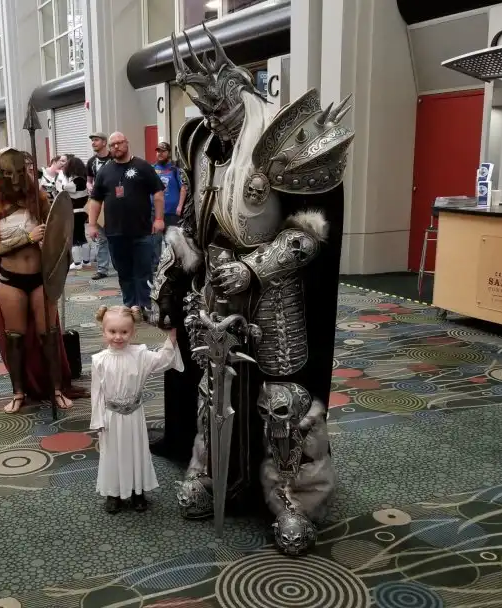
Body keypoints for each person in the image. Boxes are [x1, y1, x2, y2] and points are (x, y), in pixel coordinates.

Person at [149, 26, 353, 555]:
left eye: (221, 106)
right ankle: (214, 471)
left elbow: (310, 231)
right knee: (212, 389)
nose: (215, 117)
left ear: (241, 91)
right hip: (213, 287)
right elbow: (192, 220)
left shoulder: (282, 139)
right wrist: (171, 274)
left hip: (273, 291)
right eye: (205, 108)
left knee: (282, 399)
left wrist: (255, 268)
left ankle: (292, 496)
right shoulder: (198, 141)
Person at [0, 147, 86, 413]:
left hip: (40, 277)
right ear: (0, 174)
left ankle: (56, 390)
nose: (15, 179)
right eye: (8, 174)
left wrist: (49, 241)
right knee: (15, 338)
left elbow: (57, 230)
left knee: (49, 335)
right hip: (11, 280)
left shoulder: (37, 198)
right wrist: (27, 238)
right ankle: (18, 393)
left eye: (19, 173)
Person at [90, 305, 183, 513]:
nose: (118, 337)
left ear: (133, 332)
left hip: (134, 416)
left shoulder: (140, 355)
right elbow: (97, 393)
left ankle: (137, 491)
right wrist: (98, 421)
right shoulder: (99, 360)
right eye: (112, 331)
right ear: (103, 331)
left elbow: (163, 360)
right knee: (112, 454)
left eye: (124, 332)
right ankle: (113, 493)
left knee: (136, 452)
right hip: (111, 417)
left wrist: (171, 340)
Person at [87, 131, 165, 320]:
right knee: (124, 273)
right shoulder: (104, 171)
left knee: (144, 271)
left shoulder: (143, 166)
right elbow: (95, 200)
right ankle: (130, 306)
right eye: (112, 144)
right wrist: (92, 224)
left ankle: (145, 306)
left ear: (126, 143)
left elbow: (158, 193)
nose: (116, 147)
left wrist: (159, 219)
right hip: (115, 232)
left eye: (119, 143)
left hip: (142, 231)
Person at [151, 141, 187, 272]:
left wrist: (180, 206)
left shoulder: (175, 169)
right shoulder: (152, 168)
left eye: (163, 151)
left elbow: (183, 188)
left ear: (168, 153)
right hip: (155, 211)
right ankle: (155, 266)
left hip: (172, 212)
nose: (160, 154)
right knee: (154, 241)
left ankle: (172, 265)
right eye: (158, 151)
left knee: (172, 240)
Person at [86, 132, 111, 280]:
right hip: (98, 203)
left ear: (104, 142)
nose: (93, 143)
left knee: (118, 237)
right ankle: (102, 269)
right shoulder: (91, 162)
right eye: (92, 140)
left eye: (96, 140)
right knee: (101, 238)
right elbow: (89, 180)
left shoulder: (114, 159)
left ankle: (121, 265)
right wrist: (90, 186)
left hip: (114, 202)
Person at [61, 156, 91, 270]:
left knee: (74, 238)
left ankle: (77, 263)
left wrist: (61, 179)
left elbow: (63, 187)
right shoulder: (83, 180)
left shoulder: (76, 182)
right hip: (82, 212)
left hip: (75, 213)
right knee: (82, 236)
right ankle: (86, 261)